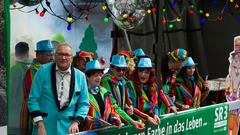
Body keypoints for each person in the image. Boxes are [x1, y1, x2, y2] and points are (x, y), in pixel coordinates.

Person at [27, 43, 90, 135]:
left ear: (71, 58)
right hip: (43, 128)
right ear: (55, 56)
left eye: (67, 55)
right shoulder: (43, 71)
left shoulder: (80, 76)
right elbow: (33, 99)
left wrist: (76, 122)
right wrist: (40, 124)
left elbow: (84, 104)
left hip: (68, 130)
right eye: (60, 54)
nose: (63, 57)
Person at [20, 40, 55, 135]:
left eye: (53, 55)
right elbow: (34, 98)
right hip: (32, 114)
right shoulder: (32, 72)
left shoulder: (51, 70)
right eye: (49, 55)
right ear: (38, 55)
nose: (52, 58)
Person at [101, 55, 145, 130]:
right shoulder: (107, 81)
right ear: (111, 68)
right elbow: (114, 106)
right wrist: (132, 122)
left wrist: (127, 107)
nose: (121, 72)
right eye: (118, 69)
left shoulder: (123, 81)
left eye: (123, 69)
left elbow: (122, 103)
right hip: (109, 123)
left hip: (120, 121)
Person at [127, 57, 176, 123]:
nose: (143, 75)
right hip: (136, 122)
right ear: (137, 72)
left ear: (151, 74)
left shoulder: (154, 86)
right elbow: (131, 108)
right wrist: (146, 118)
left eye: (146, 72)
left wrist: (155, 114)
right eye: (140, 71)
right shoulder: (130, 85)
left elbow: (155, 105)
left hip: (150, 121)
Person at [84, 60, 122, 130]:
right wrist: (85, 120)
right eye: (95, 75)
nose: (99, 78)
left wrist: (115, 117)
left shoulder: (105, 92)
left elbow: (112, 109)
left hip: (105, 131)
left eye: (100, 75)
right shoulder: (82, 94)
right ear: (87, 77)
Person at [9, 42, 31, 135]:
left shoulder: (14, 70)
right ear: (27, 53)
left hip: (15, 116)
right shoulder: (26, 70)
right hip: (20, 116)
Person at [160, 48, 187, 114]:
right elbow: (159, 90)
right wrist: (170, 104)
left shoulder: (174, 72)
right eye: (183, 62)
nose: (183, 64)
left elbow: (169, 91)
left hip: (165, 109)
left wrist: (180, 106)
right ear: (177, 61)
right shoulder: (159, 69)